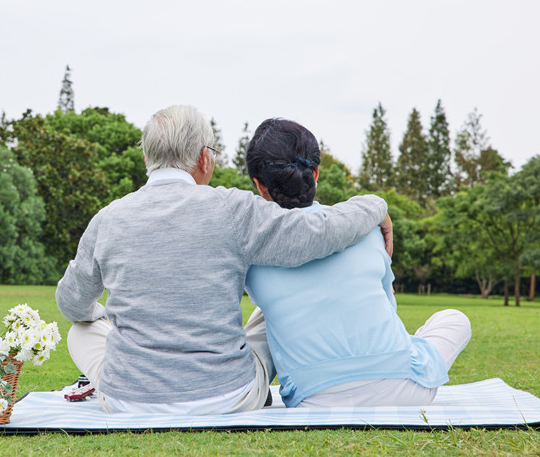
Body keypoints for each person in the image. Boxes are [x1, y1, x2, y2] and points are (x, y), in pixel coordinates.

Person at [55, 105, 392, 415]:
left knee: (80, 331)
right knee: (268, 312)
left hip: (127, 399)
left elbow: (72, 303)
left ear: (147, 159)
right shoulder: (232, 208)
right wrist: (375, 205)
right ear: (205, 159)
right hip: (229, 396)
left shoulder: (108, 218)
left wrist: (105, 319)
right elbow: (318, 231)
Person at [244, 118, 472, 407]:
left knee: (269, 312)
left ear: (259, 185)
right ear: (315, 174)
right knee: (455, 319)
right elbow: (388, 307)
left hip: (312, 398)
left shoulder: (253, 248)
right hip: (406, 389)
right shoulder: (367, 229)